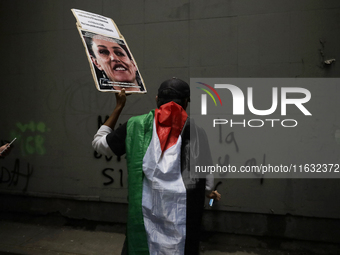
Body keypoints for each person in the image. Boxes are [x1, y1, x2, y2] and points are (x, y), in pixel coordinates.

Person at [92, 78, 221, 255]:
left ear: (156, 99)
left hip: (144, 222)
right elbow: (207, 184)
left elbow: (100, 144)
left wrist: (119, 106)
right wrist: (208, 192)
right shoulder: (198, 132)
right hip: (183, 224)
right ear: (186, 102)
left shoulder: (135, 126)